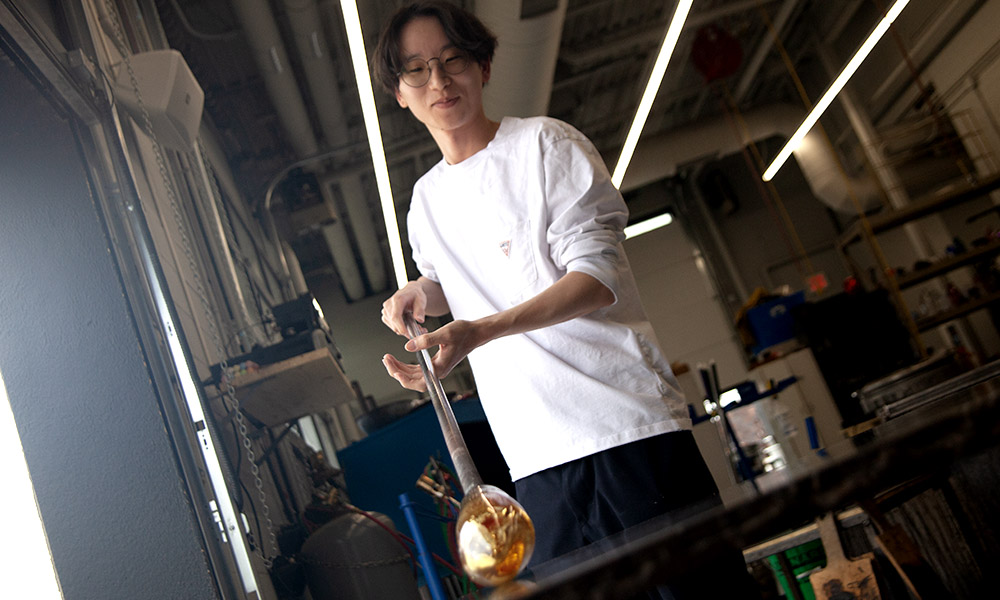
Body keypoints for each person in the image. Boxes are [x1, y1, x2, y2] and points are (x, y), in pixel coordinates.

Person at [373, 2, 758, 597]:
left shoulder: (544, 146)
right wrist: (417, 293)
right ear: (399, 92)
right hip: (535, 464)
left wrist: (478, 332)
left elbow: (597, 277)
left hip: (626, 429)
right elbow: (447, 280)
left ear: (484, 67)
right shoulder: (424, 202)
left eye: (453, 60)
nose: (440, 81)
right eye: (418, 69)